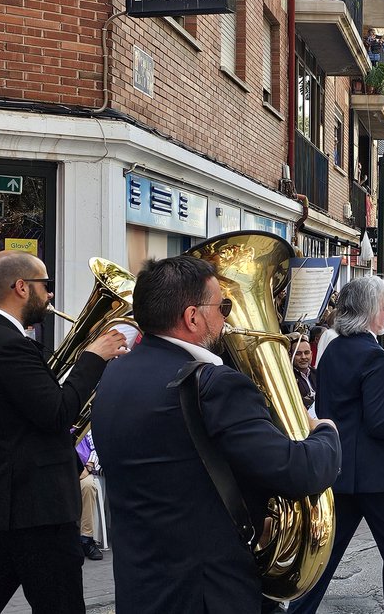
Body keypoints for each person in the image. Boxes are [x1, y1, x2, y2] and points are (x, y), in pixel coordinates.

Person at [90, 256, 339, 612]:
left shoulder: (114, 374)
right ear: (192, 318)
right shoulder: (213, 384)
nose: (227, 317)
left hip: (142, 588)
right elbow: (299, 470)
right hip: (209, 593)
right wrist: (325, 433)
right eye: (222, 306)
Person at [0, 250, 128, 614]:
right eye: (45, 286)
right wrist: (93, 356)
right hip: (37, 506)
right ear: (21, 287)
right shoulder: (8, 344)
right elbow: (57, 412)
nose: (49, 296)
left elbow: (31, 407)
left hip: (8, 501)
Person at [289, 276, 384, 614]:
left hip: (340, 471)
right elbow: (379, 422)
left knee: (323, 561)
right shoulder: (375, 356)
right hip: (379, 477)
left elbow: (332, 409)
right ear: (368, 312)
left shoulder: (333, 350)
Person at [293, 338, 317, 410]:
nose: (303, 357)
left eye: (306, 353)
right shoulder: (288, 377)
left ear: (311, 354)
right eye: (298, 354)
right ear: (291, 355)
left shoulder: (318, 374)